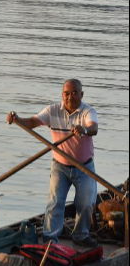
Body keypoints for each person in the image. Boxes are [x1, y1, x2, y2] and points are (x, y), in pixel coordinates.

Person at [7, 79, 99, 248]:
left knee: (86, 203)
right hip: (60, 166)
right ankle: (50, 241)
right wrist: (17, 119)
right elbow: (33, 122)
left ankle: (80, 235)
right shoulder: (53, 110)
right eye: (66, 93)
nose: (70, 97)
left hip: (84, 167)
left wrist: (84, 130)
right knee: (55, 202)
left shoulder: (88, 111)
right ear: (62, 95)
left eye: (74, 93)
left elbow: (93, 128)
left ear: (81, 94)